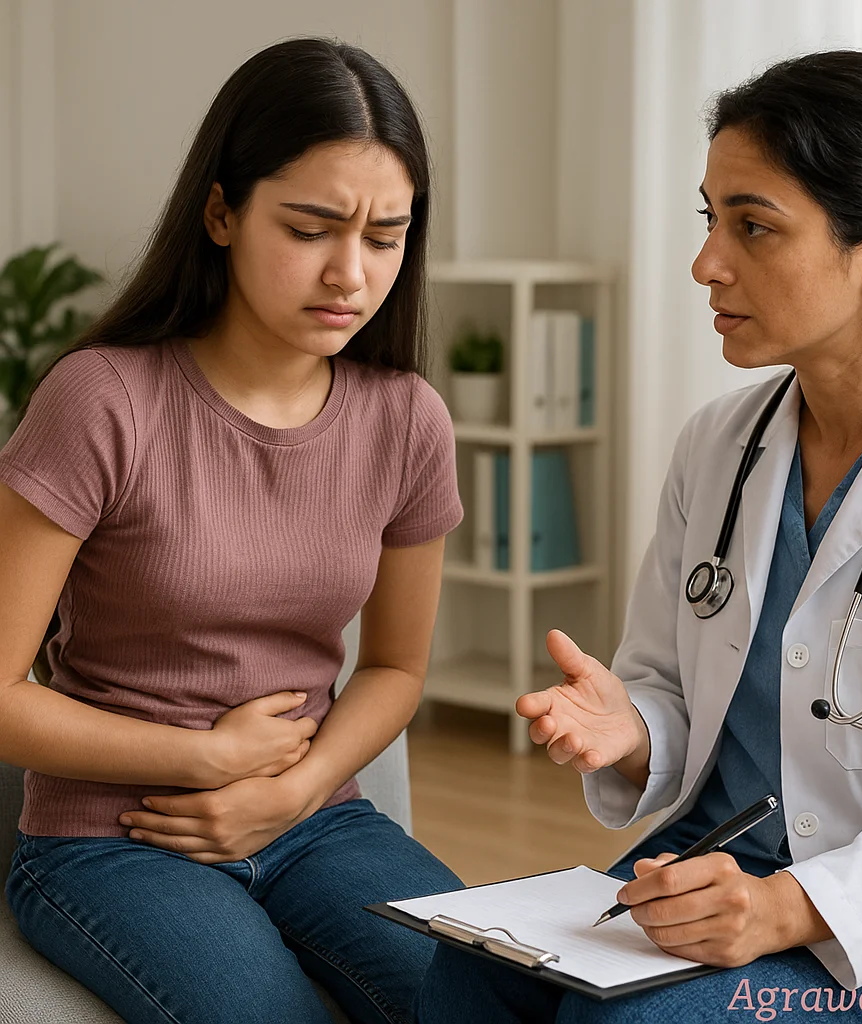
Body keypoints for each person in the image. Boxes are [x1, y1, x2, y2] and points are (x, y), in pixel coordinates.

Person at [415, 50, 862, 1023]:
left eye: (753, 226)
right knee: (465, 981)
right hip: (716, 868)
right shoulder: (719, 445)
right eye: (711, 219)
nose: (706, 262)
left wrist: (784, 907)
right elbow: (664, 687)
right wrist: (630, 733)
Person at [0, 37, 464, 1024]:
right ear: (221, 212)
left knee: (490, 1000)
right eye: (311, 228)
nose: (350, 272)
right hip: (105, 836)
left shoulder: (406, 417)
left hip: (314, 820)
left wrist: (294, 790)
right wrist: (204, 760)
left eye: (385, 237)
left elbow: (394, 669)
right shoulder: (102, 400)